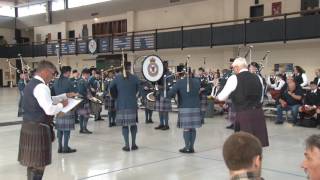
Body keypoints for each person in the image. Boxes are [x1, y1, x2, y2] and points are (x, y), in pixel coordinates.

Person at [17, 61, 76, 180]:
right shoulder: (41, 86)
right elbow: (49, 109)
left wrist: (64, 96)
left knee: (33, 163)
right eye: (53, 74)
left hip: (29, 126)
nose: (53, 77)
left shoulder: (32, 84)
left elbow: (47, 100)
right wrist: (62, 105)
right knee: (39, 164)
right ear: (45, 72)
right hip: (38, 128)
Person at [217, 57, 269, 147]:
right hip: (258, 112)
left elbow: (221, 97)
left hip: (244, 113)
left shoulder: (234, 78)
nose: (233, 70)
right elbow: (261, 96)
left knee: (244, 146)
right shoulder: (258, 77)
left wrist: (222, 85)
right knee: (256, 144)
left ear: (237, 67)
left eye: (233, 68)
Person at [167, 68, 201, 153]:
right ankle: (192, 147)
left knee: (186, 128)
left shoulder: (179, 82)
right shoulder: (197, 82)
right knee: (193, 128)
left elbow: (170, 94)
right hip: (195, 107)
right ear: (191, 73)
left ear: (183, 73)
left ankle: (187, 147)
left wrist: (166, 93)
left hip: (185, 107)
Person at [110, 62, 140, 152]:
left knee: (124, 125)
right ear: (129, 68)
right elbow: (138, 89)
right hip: (132, 104)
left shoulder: (117, 78)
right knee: (133, 124)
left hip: (121, 104)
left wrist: (116, 97)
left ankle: (127, 146)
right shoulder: (135, 78)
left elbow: (111, 89)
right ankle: (134, 144)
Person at [53, 66, 77, 153]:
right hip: (67, 107)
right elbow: (73, 94)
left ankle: (59, 147)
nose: (70, 74)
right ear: (67, 72)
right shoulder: (68, 81)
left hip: (58, 107)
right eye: (69, 72)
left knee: (59, 129)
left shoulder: (55, 81)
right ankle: (66, 147)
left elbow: (52, 94)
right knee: (67, 129)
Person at [154, 61, 173, 130]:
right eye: (162, 65)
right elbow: (155, 82)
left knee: (165, 111)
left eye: (165, 65)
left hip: (165, 94)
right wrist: (155, 86)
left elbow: (170, 84)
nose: (163, 67)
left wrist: (163, 87)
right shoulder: (159, 73)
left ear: (167, 66)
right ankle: (161, 124)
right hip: (159, 94)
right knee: (160, 110)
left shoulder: (169, 74)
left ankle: (166, 125)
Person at [77, 68, 93, 134]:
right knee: (85, 116)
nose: (89, 75)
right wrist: (88, 95)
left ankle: (82, 128)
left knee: (82, 115)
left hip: (83, 100)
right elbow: (81, 91)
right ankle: (84, 128)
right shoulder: (82, 81)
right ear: (85, 74)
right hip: (84, 101)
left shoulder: (84, 80)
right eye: (88, 74)